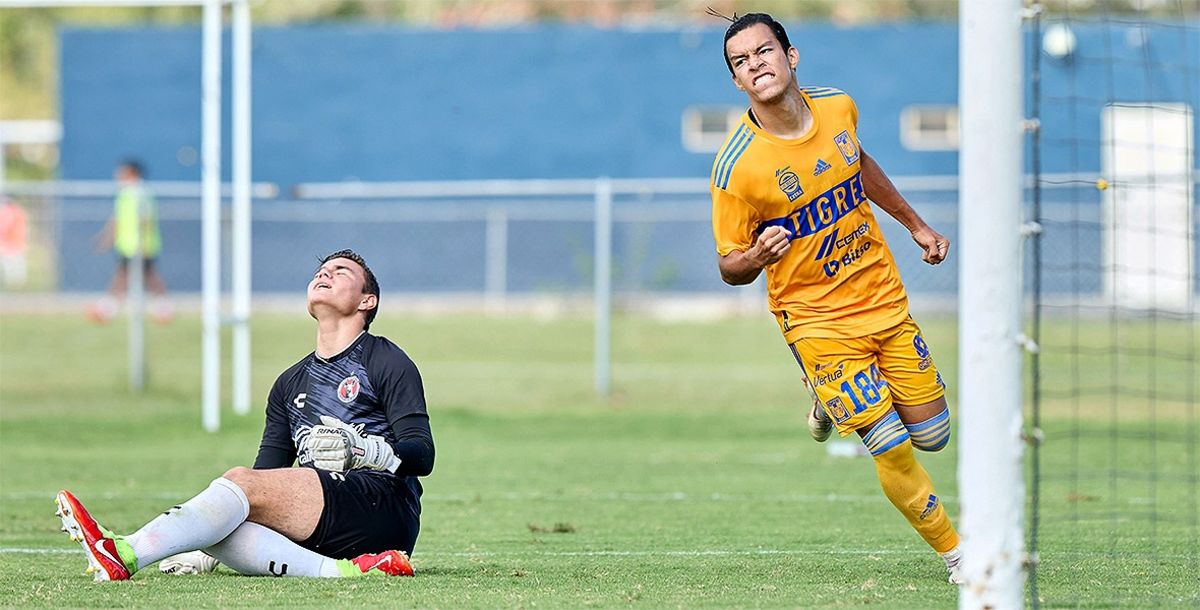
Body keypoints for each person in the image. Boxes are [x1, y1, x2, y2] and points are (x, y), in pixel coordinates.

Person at [708, 13, 962, 584]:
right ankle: (957, 555)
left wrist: (916, 226)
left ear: (791, 57)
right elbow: (728, 266)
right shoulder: (736, 165)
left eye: (764, 51)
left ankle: (827, 400)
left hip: (885, 303)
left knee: (935, 436)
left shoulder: (839, 106)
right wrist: (755, 257)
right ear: (737, 82)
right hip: (817, 322)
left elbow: (861, 164)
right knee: (891, 446)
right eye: (741, 62)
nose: (756, 64)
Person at [57, 249, 435, 580]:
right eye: (321, 271)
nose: (325, 274)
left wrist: (366, 451)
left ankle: (126, 552)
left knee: (233, 487)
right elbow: (263, 480)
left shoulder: (385, 360)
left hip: (384, 510)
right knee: (227, 512)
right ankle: (344, 571)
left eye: (341, 272)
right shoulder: (289, 384)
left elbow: (423, 453)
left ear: (367, 301)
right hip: (323, 522)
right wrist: (207, 543)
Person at [88, 159, 171, 323]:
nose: (118, 176)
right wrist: (107, 238)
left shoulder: (141, 193)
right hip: (127, 245)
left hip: (140, 246)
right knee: (139, 277)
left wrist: (141, 242)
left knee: (135, 277)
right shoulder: (124, 194)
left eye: (122, 173)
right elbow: (117, 219)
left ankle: (108, 309)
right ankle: (163, 309)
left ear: (133, 173)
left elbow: (145, 218)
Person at [0, 197, 29, 289]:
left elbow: (5, 227)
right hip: (11, 242)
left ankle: (15, 287)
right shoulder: (16, 211)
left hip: (12, 243)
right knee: (12, 266)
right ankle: (14, 287)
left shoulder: (11, 212)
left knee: (14, 267)